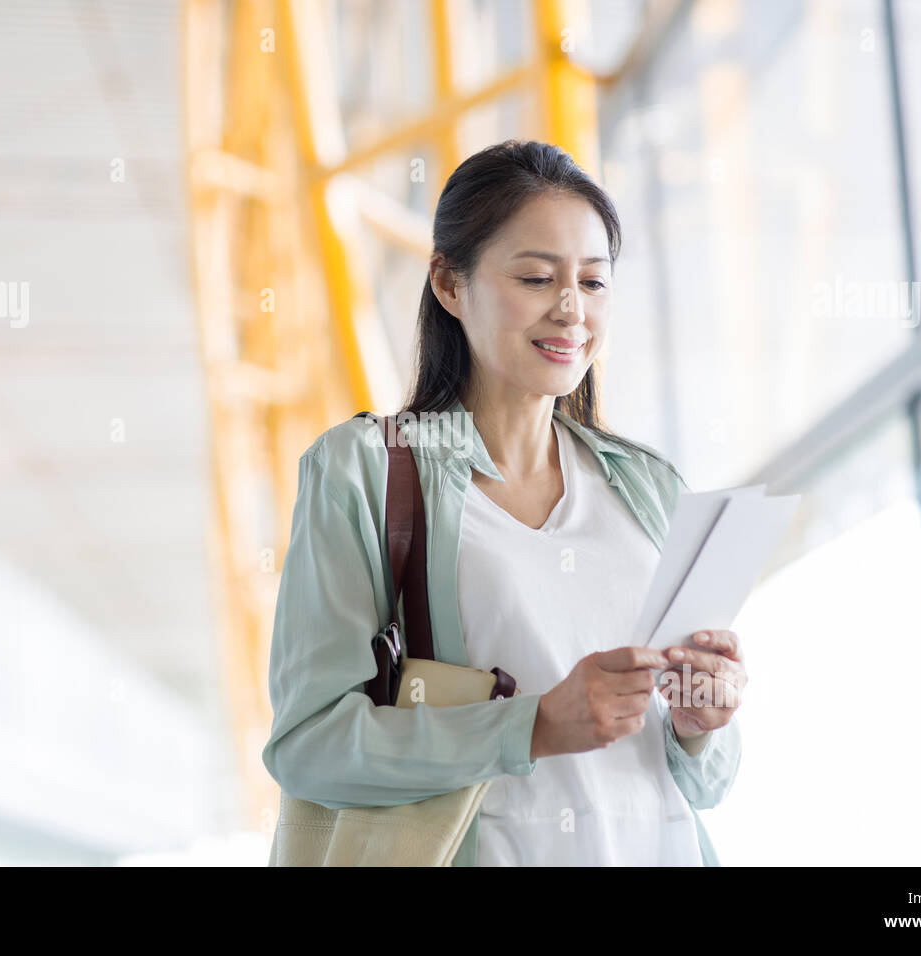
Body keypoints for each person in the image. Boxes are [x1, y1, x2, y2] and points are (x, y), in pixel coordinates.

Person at [263, 139, 745, 866]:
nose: (570, 309)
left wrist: (700, 723)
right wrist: (531, 726)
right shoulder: (364, 470)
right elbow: (309, 746)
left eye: (593, 281)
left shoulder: (649, 485)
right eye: (535, 277)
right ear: (450, 286)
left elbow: (703, 783)